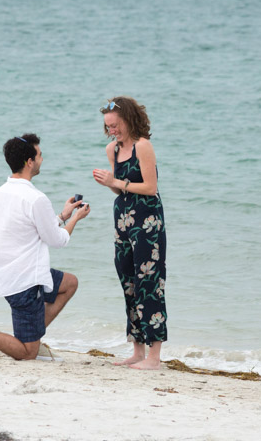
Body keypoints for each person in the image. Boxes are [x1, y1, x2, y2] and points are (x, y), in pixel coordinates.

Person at [0, 133, 90, 361]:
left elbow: (30, 229)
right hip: (25, 280)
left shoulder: (0, 193)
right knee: (28, 354)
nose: (42, 159)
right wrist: (76, 218)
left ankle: (33, 333)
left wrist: (63, 215)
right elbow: (58, 240)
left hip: (8, 272)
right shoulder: (36, 198)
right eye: (40, 155)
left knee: (70, 283)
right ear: (29, 162)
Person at [92, 97, 168, 370]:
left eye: (115, 125)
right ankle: (137, 351)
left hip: (147, 220)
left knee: (150, 284)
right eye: (108, 127)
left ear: (128, 120)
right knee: (129, 283)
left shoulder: (143, 146)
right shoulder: (111, 149)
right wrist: (108, 183)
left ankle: (154, 357)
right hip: (122, 220)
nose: (112, 131)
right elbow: (120, 188)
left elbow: (150, 187)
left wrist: (116, 181)